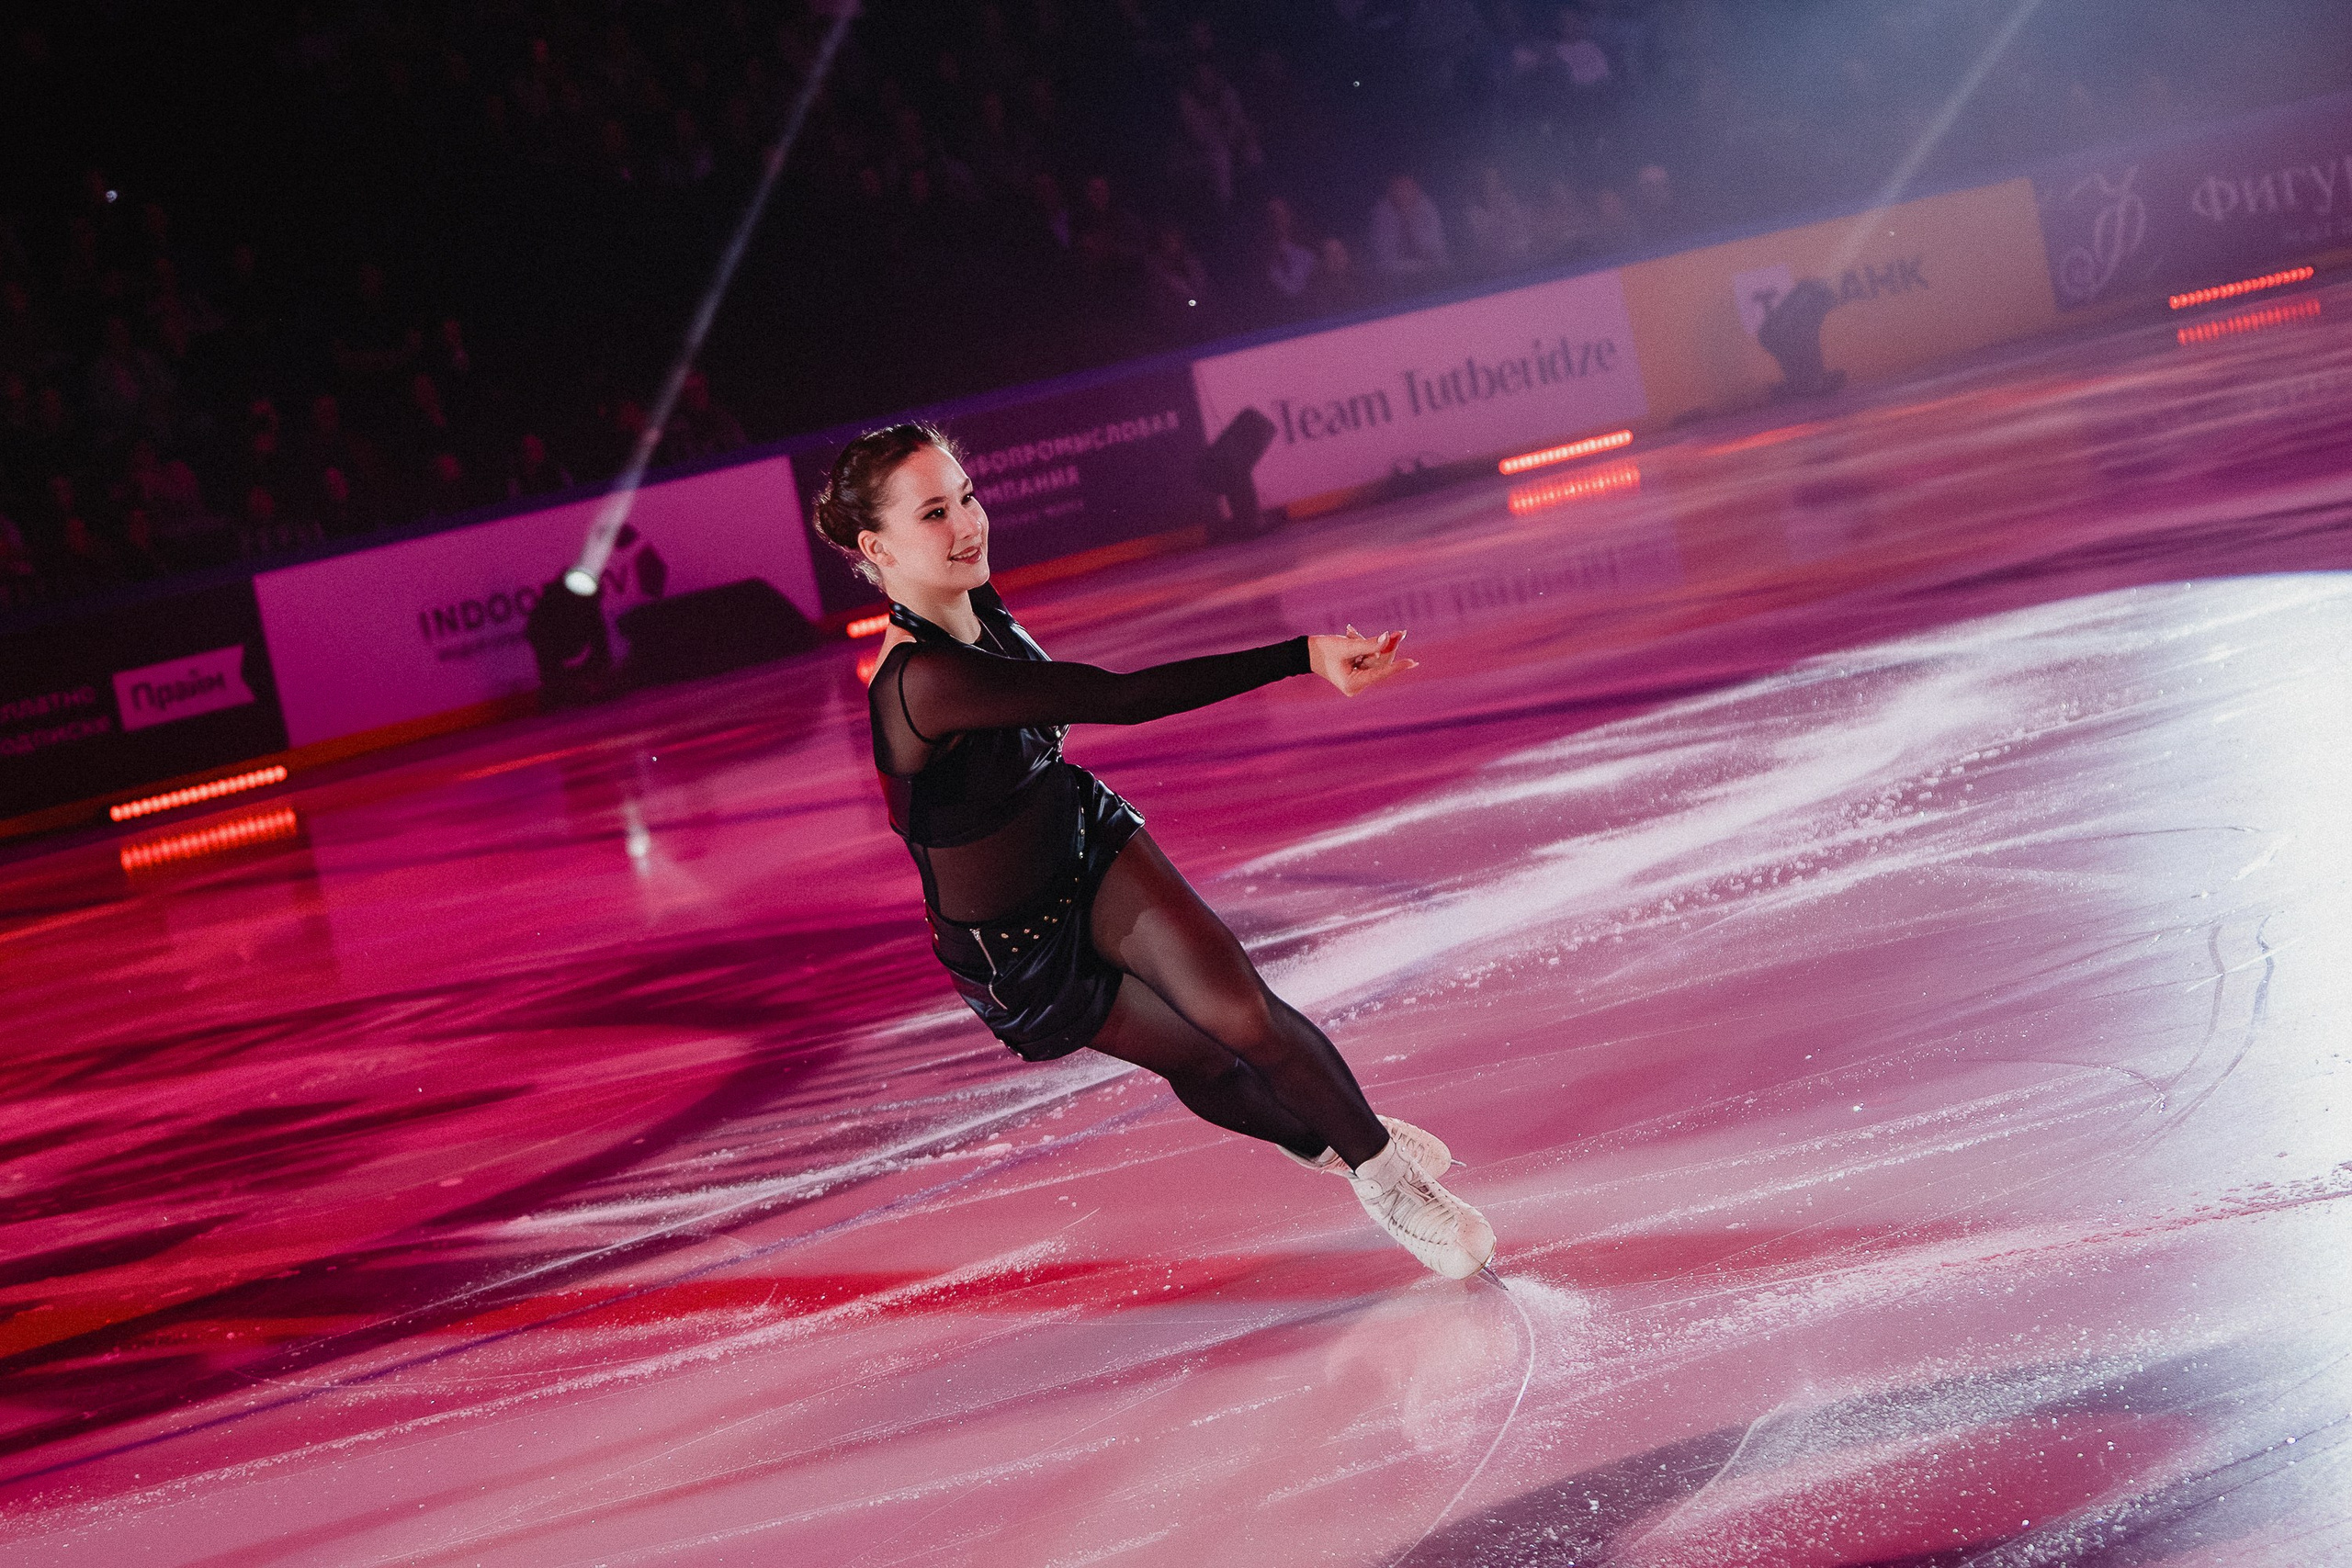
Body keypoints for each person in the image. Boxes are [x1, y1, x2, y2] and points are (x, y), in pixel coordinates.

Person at [812, 423, 1497, 1280]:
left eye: (969, 497)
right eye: (935, 513)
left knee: (1241, 1012)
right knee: (1203, 1056)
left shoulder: (974, 607)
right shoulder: (919, 681)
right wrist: (1300, 655)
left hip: (1081, 843)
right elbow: (1120, 697)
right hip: (1016, 948)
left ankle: (1389, 1180)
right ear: (877, 546)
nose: (968, 525)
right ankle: (1322, 1136)